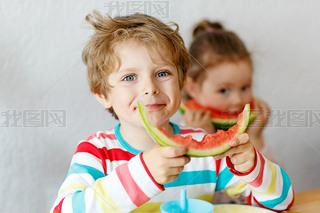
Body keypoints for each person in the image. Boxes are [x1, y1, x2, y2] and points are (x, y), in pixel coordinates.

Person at [50, 12, 294, 212]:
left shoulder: (204, 150)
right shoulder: (96, 153)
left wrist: (254, 167)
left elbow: (281, 202)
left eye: (162, 73)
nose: (149, 88)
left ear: (181, 83)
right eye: (130, 77)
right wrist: (142, 175)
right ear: (103, 95)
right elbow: (62, 210)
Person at [182, 20, 283, 204]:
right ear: (193, 88)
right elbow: (188, 192)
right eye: (224, 90)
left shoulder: (247, 130)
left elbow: (277, 189)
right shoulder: (182, 135)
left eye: (245, 87)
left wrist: (256, 139)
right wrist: (203, 140)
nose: (237, 100)